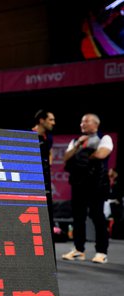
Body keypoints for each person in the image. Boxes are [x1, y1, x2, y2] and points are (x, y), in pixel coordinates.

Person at [61, 113, 113, 264]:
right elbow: (66, 158)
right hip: (78, 184)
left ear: (96, 124)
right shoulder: (75, 141)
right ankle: (79, 250)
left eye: (86, 122)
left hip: (97, 184)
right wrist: (78, 146)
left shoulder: (105, 138)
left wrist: (81, 158)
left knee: (97, 216)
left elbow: (101, 154)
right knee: (78, 217)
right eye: (81, 122)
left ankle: (101, 252)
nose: (82, 124)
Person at [32, 110, 56, 237]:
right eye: (50, 120)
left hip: (43, 178)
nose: (53, 123)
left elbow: (50, 152)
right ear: (42, 120)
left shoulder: (49, 137)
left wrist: (48, 165)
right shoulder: (28, 134)